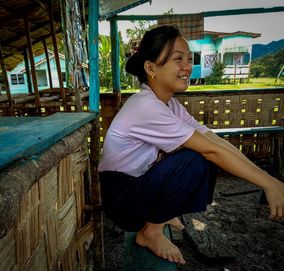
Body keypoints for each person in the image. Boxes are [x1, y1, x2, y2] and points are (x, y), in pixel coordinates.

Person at [98, 25, 284, 265]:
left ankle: (162, 216)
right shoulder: (145, 105)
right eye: (178, 59)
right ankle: (150, 232)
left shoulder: (169, 105)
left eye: (189, 58)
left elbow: (214, 141)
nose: (188, 66)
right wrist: (269, 183)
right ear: (151, 68)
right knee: (195, 159)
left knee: (205, 153)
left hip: (137, 187)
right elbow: (209, 150)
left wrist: (269, 180)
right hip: (121, 198)